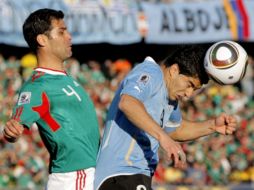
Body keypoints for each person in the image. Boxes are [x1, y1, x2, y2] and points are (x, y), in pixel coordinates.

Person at [94, 45, 237, 190]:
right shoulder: (151, 72)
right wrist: (163, 137)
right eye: (189, 85)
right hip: (121, 173)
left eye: (194, 90)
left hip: (136, 175)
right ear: (174, 70)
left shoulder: (170, 99)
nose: (189, 94)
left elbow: (176, 130)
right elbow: (128, 103)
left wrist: (212, 125)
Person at [2, 8, 100, 190]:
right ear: (42, 40)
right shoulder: (37, 86)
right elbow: (15, 126)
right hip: (74, 177)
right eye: (61, 32)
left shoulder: (65, 77)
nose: (69, 37)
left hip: (84, 175)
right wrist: (12, 131)